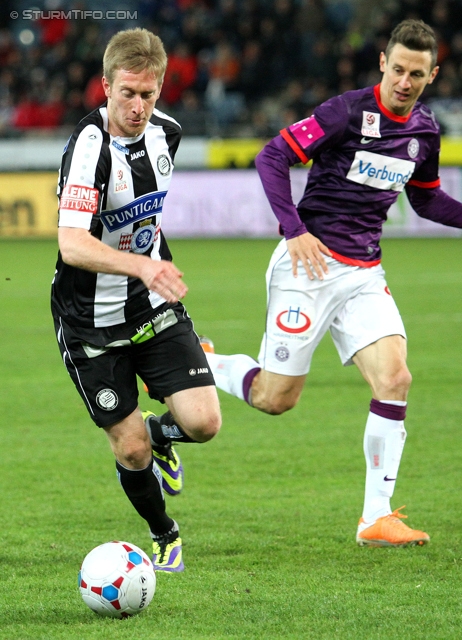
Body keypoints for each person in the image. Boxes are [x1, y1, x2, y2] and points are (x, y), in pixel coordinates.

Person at [202, 19, 462, 547]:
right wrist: (293, 230)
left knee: (395, 380)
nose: (404, 82)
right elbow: (272, 155)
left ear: (432, 74)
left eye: (417, 73)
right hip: (310, 266)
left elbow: (427, 198)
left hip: (365, 274)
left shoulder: (424, 132)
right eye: (397, 70)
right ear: (382, 64)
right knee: (276, 399)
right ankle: (206, 362)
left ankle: (375, 517)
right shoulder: (346, 112)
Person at [51, 28, 221, 572]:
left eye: (148, 95)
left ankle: (158, 429)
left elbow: (144, 218)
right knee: (129, 451)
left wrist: (153, 265)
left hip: (149, 305)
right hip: (88, 322)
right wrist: (143, 263)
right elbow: (72, 244)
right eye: (127, 93)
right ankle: (164, 531)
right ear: (104, 87)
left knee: (204, 424)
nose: (138, 107)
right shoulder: (89, 148)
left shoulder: (166, 134)